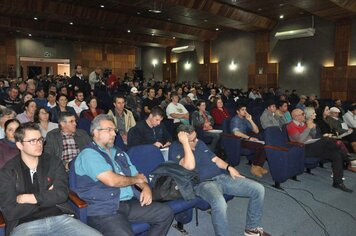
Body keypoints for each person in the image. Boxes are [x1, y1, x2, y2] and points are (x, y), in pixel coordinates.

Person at [74, 114, 174, 236]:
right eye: (109, 130)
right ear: (96, 132)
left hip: (128, 202)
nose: (114, 134)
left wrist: (146, 188)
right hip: (104, 209)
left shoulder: (119, 152)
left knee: (165, 212)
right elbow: (112, 180)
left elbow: (138, 175)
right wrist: (136, 180)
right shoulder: (89, 154)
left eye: (114, 130)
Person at [0, 122, 101, 236]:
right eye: (32, 141)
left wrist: (31, 198)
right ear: (19, 145)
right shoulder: (8, 171)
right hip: (25, 224)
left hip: (60, 218)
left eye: (40, 140)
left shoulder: (53, 162)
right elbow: (10, 211)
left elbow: (62, 194)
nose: (39, 144)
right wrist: (48, 197)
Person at [169, 124, 270, 236]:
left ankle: (252, 229)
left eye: (196, 136)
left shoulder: (200, 143)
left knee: (258, 189)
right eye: (193, 139)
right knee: (220, 202)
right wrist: (185, 145)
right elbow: (190, 166)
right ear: (182, 139)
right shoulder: (175, 148)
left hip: (221, 178)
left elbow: (215, 159)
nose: (197, 140)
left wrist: (229, 168)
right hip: (204, 184)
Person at [287, 108, 352, 193]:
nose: (304, 115)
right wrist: (308, 128)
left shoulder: (303, 124)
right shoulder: (291, 125)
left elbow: (313, 136)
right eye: (302, 114)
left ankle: (338, 182)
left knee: (336, 154)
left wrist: (312, 128)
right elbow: (299, 140)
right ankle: (347, 157)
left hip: (313, 146)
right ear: (295, 116)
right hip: (302, 149)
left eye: (303, 113)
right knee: (328, 141)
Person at [230, 104, 268, 178]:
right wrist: (249, 138)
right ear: (237, 111)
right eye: (243, 110)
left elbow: (256, 131)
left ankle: (258, 167)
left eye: (245, 110)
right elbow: (236, 133)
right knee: (260, 146)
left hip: (245, 139)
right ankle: (255, 168)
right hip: (238, 141)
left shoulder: (245, 119)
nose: (245, 111)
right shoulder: (235, 120)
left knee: (264, 145)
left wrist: (250, 120)